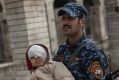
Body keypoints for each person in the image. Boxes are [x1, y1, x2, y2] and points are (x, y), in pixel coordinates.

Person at [53, 2, 110, 80]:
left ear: (82, 22)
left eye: (70, 18)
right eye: (63, 19)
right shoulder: (62, 50)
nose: (65, 22)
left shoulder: (93, 53)